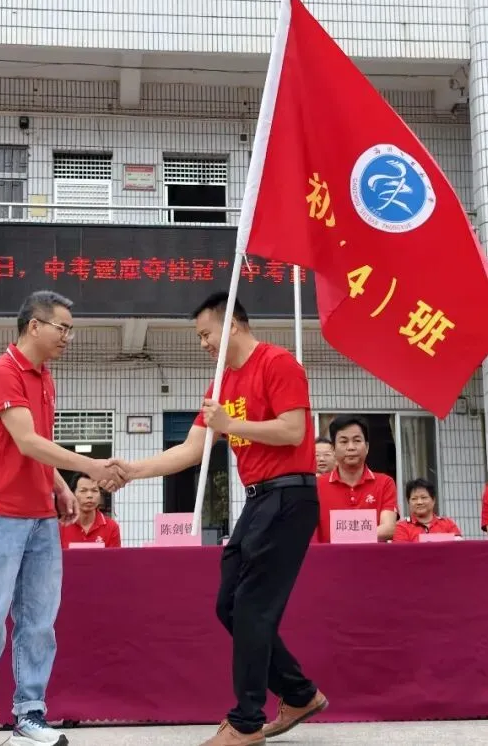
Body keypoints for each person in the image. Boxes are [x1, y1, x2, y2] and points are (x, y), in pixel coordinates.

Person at [116, 293, 326, 746]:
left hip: (290, 495)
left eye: (206, 334)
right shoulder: (219, 385)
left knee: (252, 607)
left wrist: (232, 426)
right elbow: (191, 450)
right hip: (257, 501)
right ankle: (298, 692)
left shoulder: (278, 363)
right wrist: (134, 470)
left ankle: (247, 722)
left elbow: (292, 430)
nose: (204, 344)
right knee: (229, 605)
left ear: (233, 324)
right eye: (200, 338)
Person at [0, 291, 127, 746]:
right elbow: (27, 441)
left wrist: (60, 485)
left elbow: (39, 449)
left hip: (40, 516)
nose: (67, 337)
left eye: (70, 329)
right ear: (34, 325)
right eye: (62, 327)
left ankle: (29, 714)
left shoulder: (47, 378)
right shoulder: (2, 373)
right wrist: (90, 467)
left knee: (39, 620)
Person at [315, 415, 399, 543]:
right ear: (333, 449)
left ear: (367, 447)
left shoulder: (385, 483)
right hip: (330, 560)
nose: (351, 447)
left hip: (371, 560)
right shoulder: (317, 485)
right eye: (343, 441)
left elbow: (388, 528)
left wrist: (343, 535)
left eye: (357, 440)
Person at [392, 478, 461, 542]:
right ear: (408, 502)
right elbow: (401, 553)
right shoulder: (402, 527)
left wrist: (426, 539)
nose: (419, 502)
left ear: (433, 500)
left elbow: (458, 548)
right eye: (414, 499)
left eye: (424, 497)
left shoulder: (448, 524)